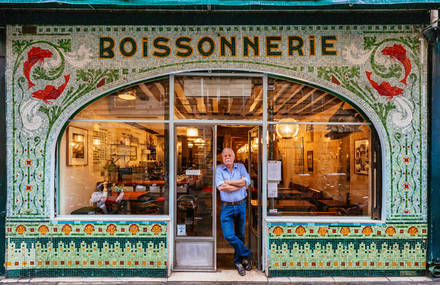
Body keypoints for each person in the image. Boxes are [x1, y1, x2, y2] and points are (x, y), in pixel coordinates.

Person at [215, 148, 252, 276]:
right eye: (225, 156)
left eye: (229, 155)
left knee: (240, 235)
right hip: (227, 207)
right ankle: (247, 253)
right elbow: (221, 187)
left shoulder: (241, 167)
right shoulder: (219, 169)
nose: (227, 157)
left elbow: (247, 182)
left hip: (241, 205)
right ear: (222, 158)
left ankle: (239, 262)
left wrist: (229, 182)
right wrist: (239, 184)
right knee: (229, 235)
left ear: (234, 156)